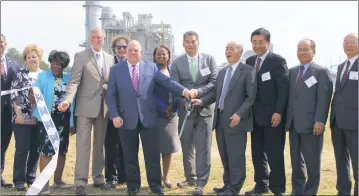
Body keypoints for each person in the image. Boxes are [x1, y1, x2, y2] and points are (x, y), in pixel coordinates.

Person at [107, 40, 193, 195]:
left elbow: (168, 83)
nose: (133, 53)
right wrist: (114, 115)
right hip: (126, 119)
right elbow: (111, 96)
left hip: (148, 118)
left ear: (141, 53)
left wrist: (184, 91)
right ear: (126, 52)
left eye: (136, 50)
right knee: (129, 154)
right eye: (130, 50)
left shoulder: (151, 68)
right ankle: (133, 186)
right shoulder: (115, 70)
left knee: (152, 155)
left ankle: (155, 185)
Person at [192, 41, 257, 195]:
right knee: (225, 155)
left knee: (236, 156)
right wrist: (202, 101)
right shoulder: (222, 72)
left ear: (240, 52)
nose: (227, 51)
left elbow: (250, 98)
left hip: (236, 121)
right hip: (220, 120)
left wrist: (239, 114)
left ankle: (235, 188)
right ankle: (228, 184)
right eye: (226, 49)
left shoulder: (248, 71)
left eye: (231, 49)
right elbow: (216, 94)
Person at [57, 27, 114, 196]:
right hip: (84, 108)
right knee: (83, 146)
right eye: (94, 37)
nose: (97, 40)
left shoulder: (110, 58)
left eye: (100, 37)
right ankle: (80, 183)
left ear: (104, 38)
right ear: (90, 38)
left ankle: (98, 178)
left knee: (99, 146)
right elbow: (73, 82)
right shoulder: (81, 56)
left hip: (103, 108)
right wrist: (68, 99)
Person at [170, 30, 218, 196]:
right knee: (187, 145)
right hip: (186, 111)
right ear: (183, 44)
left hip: (204, 110)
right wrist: (184, 101)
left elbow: (213, 82)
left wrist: (198, 93)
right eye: (187, 42)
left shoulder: (209, 59)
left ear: (199, 42)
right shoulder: (176, 63)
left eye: (193, 41)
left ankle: (200, 183)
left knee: (203, 147)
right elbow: (175, 86)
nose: (191, 44)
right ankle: (190, 177)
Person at [244, 28, 289, 196]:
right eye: (254, 42)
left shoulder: (277, 61)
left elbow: (283, 89)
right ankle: (261, 185)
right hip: (254, 117)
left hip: (273, 117)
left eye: (260, 42)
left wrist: (278, 112)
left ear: (268, 43)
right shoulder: (249, 61)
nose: (257, 45)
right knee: (257, 153)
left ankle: (278, 189)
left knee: (274, 154)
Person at [285, 39, 333, 195]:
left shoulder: (321, 72)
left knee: (312, 161)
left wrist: (320, 120)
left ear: (314, 51)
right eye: (299, 49)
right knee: (296, 162)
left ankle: (310, 191)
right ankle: (297, 191)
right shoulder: (292, 72)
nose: (302, 52)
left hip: (312, 125)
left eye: (306, 49)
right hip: (293, 124)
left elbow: (323, 99)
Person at [32, 50, 76, 194]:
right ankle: (44, 184)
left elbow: (73, 100)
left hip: (64, 120)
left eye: (59, 64)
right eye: (53, 63)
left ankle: (58, 180)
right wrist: (32, 93)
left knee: (62, 150)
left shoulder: (69, 78)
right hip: (46, 119)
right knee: (46, 151)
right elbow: (34, 95)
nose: (55, 66)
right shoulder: (43, 76)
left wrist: (72, 122)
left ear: (64, 65)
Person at [10, 44, 43, 191]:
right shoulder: (20, 75)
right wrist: (18, 113)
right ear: (25, 60)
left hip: (40, 119)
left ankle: (31, 177)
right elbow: (13, 94)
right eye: (28, 57)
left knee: (36, 149)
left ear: (39, 58)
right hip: (22, 119)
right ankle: (19, 180)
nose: (32, 59)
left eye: (34, 56)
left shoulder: (45, 75)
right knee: (22, 149)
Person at [330, 32, 358, 196]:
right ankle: (343, 191)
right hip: (337, 121)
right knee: (341, 160)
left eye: (352, 42)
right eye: (345, 42)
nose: (348, 45)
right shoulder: (341, 66)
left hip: (355, 121)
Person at [153, 45, 181, 188]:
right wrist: (163, 107)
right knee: (156, 147)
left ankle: (165, 176)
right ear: (154, 56)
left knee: (168, 147)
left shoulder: (173, 71)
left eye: (164, 54)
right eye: (158, 54)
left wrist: (173, 107)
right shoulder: (151, 71)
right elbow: (149, 93)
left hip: (172, 115)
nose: (161, 56)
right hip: (157, 114)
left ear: (169, 56)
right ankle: (156, 177)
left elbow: (177, 90)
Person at [104, 35, 129, 188]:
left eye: (124, 47)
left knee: (125, 145)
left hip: (128, 111)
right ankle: (111, 177)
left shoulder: (132, 64)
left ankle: (124, 176)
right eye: (118, 47)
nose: (121, 49)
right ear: (114, 49)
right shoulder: (108, 64)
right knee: (111, 145)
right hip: (111, 111)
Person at [0, 33, 19, 188]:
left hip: (8, 111)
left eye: (1, 42)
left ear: (5, 43)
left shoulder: (14, 63)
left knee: (3, 143)